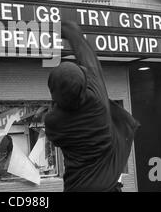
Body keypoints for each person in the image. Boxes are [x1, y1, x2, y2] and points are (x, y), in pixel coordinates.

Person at [45, 21, 140, 192]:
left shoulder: (53, 123)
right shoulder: (98, 102)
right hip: (108, 186)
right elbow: (90, 61)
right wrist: (69, 30)